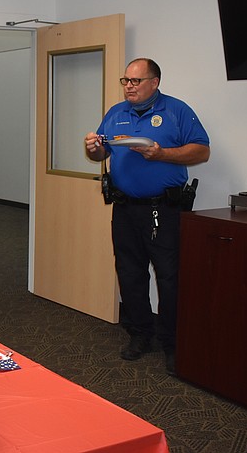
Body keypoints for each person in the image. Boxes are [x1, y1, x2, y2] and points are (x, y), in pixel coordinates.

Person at [84, 58, 209, 375]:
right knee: (129, 272)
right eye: (125, 80)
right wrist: (94, 148)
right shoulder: (116, 113)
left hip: (163, 210)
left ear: (154, 82)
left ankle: (172, 342)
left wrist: (163, 154)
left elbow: (201, 150)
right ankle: (140, 334)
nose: (129, 86)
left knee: (169, 276)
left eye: (136, 81)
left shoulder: (177, 110)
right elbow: (101, 153)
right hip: (125, 208)